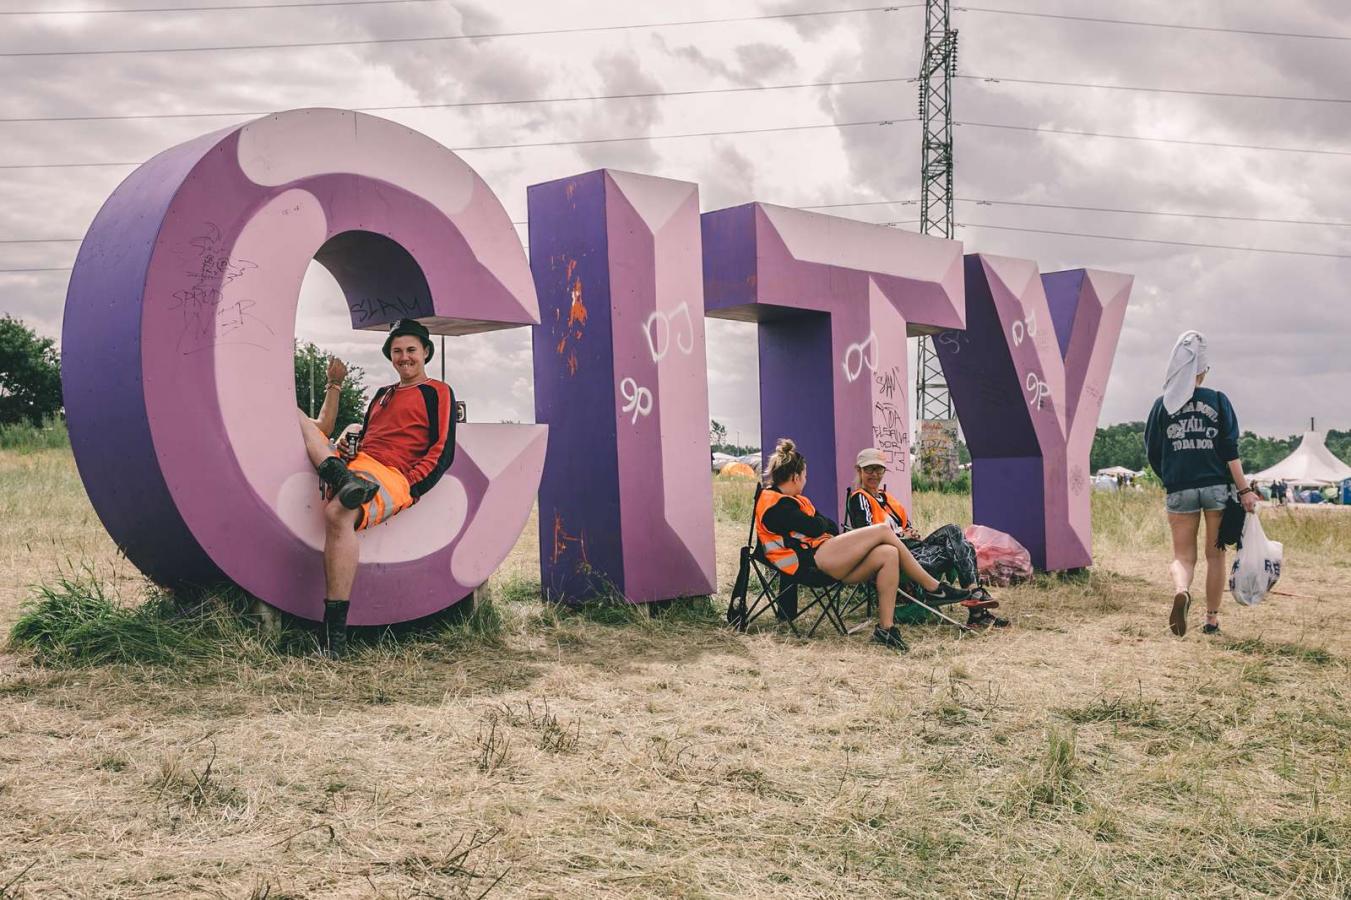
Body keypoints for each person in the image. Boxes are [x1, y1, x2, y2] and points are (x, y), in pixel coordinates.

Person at [296, 319, 457, 657]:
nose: (404, 357)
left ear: (425, 352)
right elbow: (370, 439)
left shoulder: (437, 391)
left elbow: (442, 450)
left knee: (339, 513)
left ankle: (333, 637)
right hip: (359, 467)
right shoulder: (382, 395)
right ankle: (340, 474)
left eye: (411, 350)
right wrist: (347, 448)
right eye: (397, 351)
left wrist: (411, 486)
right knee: (299, 419)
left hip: (394, 475)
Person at [754, 438, 970, 652]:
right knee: (883, 531)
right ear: (795, 476)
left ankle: (886, 628)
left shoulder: (796, 501)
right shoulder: (774, 504)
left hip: (828, 559)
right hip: (808, 564)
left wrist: (819, 525)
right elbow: (815, 527)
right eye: (805, 477)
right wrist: (819, 525)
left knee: (888, 553)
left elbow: (829, 527)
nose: (805, 481)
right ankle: (932, 587)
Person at [1144, 330, 1258, 638]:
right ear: (1202, 371)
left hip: (1180, 487)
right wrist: (1245, 490)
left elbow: (1153, 451)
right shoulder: (1218, 401)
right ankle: (1211, 620)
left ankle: (1182, 590)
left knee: (1183, 556)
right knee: (1215, 555)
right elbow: (1229, 449)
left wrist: (1170, 477)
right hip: (1217, 489)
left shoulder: (1161, 406)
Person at [845, 448, 1008, 628]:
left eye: (879, 469)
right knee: (963, 545)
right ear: (858, 470)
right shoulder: (859, 499)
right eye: (869, 469)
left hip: (914, 550)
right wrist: (901, 535)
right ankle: (977, 607)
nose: (874, 474)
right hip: (895, 558)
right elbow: (867, 535)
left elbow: (905, 527)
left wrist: (911, 532)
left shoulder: (887, 498)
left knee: (957, 537)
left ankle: (975, 599)